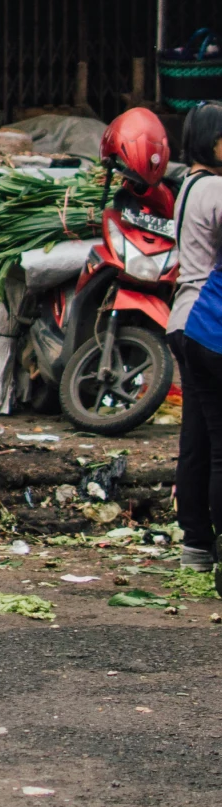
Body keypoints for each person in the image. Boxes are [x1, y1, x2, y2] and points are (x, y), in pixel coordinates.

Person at [167, 101, 222, 572]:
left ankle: (195, 546)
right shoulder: (217, 189)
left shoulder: (188, 184)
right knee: (216, 442)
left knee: (197, 438)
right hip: (211, 318)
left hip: (182, 317)